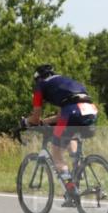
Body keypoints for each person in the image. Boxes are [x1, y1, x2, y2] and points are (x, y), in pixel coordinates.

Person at [24, 64, 98, 205]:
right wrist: (45, 122)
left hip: (71, 111)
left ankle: (71, 188)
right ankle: (79, 168)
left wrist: (25, 122)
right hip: (91, 110)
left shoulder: (40, 85)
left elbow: (35, 118)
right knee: (70, 135)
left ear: (38, 78)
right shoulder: (63, 82)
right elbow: (60, 116)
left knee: (56, 153)